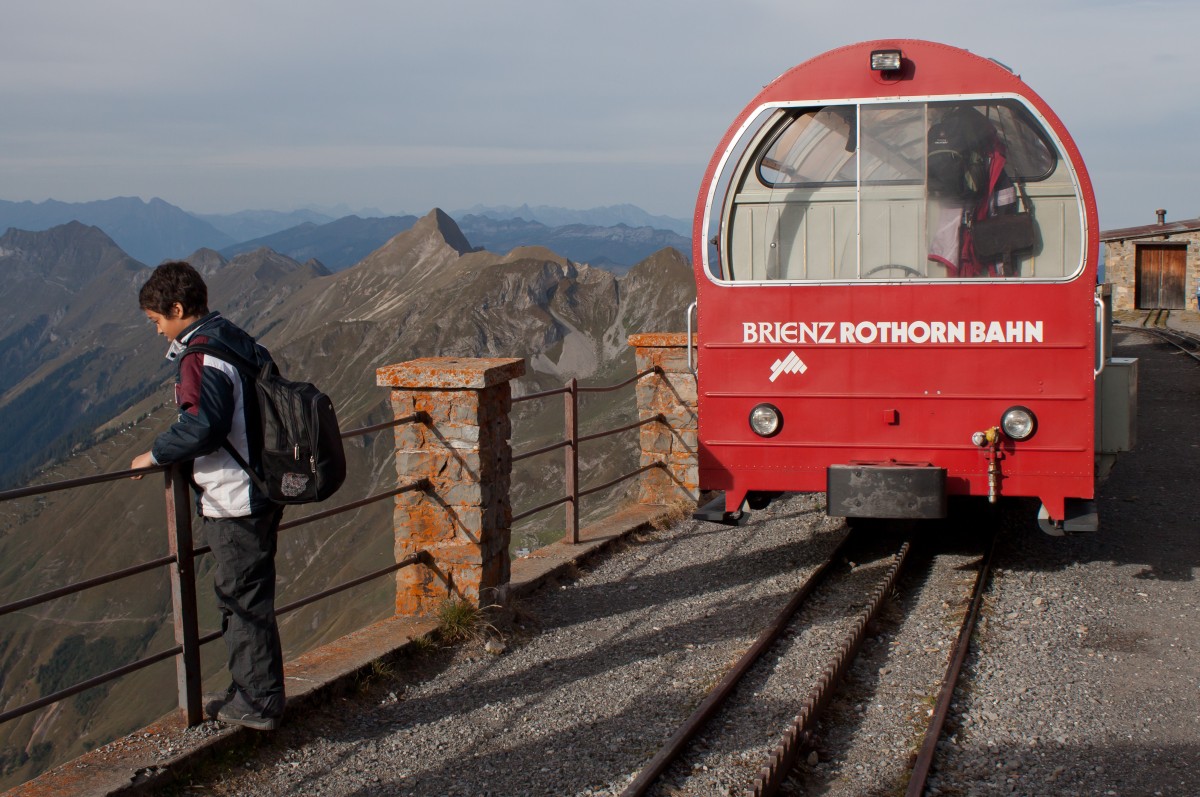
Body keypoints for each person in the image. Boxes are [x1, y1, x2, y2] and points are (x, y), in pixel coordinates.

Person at [131, 261, 286, 731]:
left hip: (234, 497)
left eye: (158, 321)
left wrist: (155, 454)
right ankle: (252, 690)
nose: (158, 332)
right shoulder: (232, 337)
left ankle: (257, 702)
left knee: (241, 600)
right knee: (247, 594)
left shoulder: (202, 355)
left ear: (177, 309)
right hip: (262, 486)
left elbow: (206, 426)